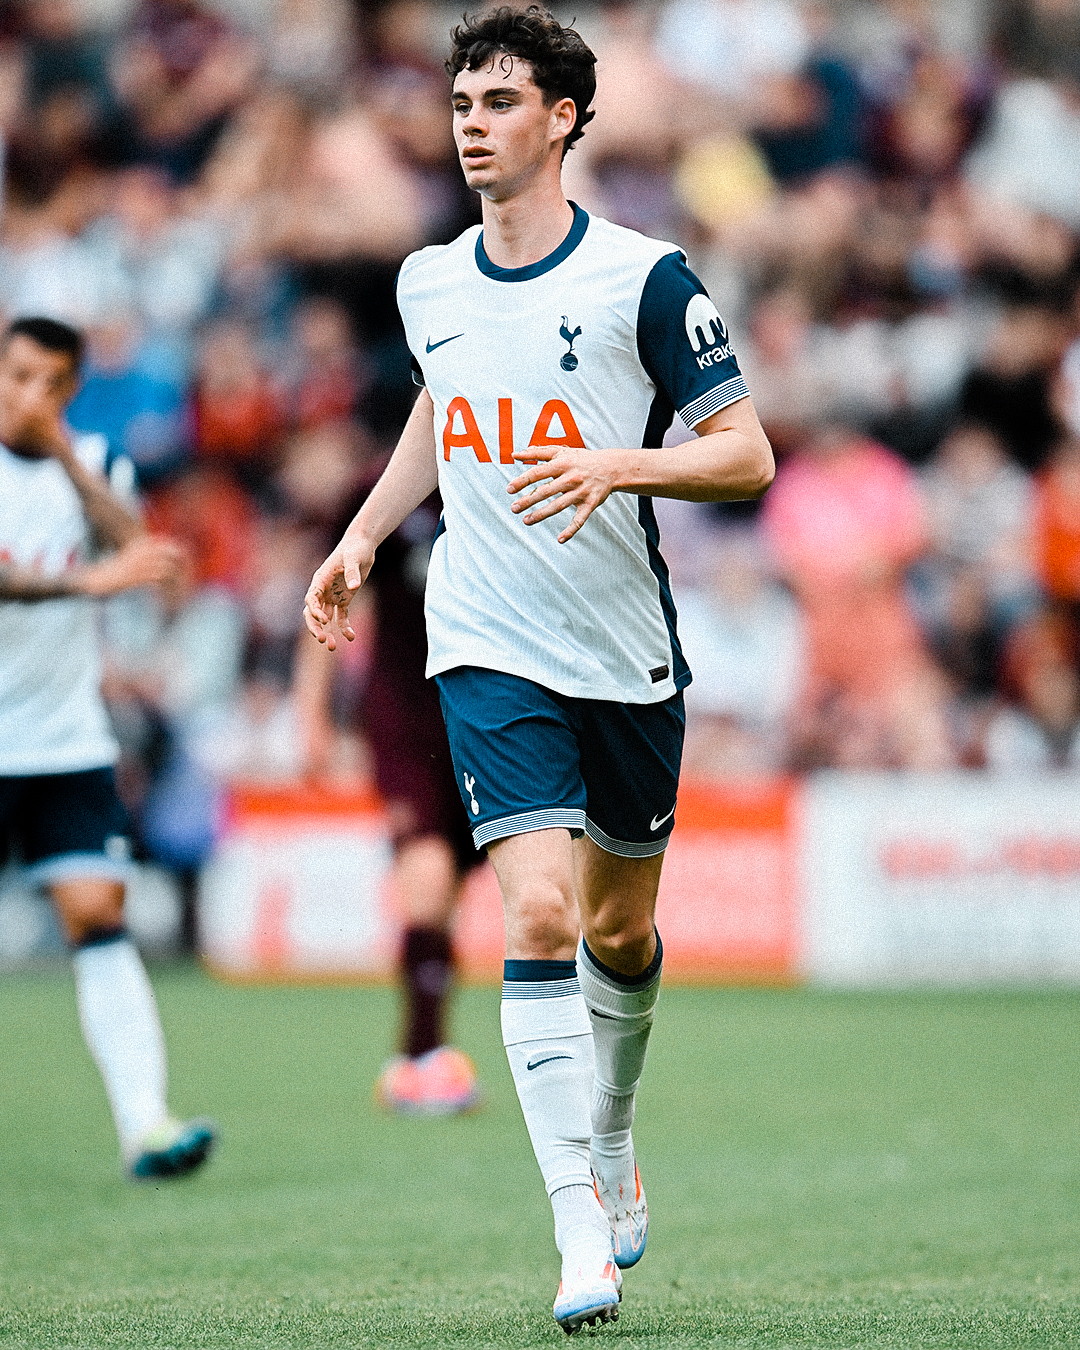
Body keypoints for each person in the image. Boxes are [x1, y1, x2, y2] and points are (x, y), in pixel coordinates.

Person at [303, 7, 773, 1334]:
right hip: (484, 640)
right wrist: (363, 534)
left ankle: (612, 1133)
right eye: (462, 101)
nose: (471, 123)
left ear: (564, 120)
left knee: (620, 932)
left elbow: (747, 455)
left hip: (622, 649)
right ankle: (576, 1231)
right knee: (541, 916)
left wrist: (620, 464)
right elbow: (440, 411)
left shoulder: (646, 279)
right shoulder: (427, 281)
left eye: (500, 101)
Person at [0, 316, 216, 1181]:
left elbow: (140, 551)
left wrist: (62, 452)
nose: (30, 396)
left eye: (50, 382)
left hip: (63, 738)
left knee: (98, 914)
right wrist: (88, 581)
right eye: (17, 376)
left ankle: (146, 1124)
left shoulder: (91, 462)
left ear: (72, 389)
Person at [294, 478, 484, 1115]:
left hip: (485, 715)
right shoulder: (380, 490)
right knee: (426, 876)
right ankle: (420, 1057)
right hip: (403, 720)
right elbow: (330, 594)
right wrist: (312, 716)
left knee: (448, 893)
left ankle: (425, 1047)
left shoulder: (500, 469)